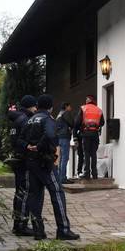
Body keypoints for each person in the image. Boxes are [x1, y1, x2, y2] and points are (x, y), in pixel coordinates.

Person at [22, 94, 80, 241]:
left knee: (35, 196)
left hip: (30, 162)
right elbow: (50, 135)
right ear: (50, 107)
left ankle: (38, 231)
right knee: (57, 193)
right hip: (44, 163)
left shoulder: (29, 119)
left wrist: (29, 146)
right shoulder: (48, 119)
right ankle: (63, 230)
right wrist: (40, 146)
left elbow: (20, 139)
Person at [7, 95, 38, 236]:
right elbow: (23, 140)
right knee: (25, 193)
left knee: (19, 193)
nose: (36, 108)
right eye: (34, 106)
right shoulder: (26, 120)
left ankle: (17, 223)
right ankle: (21, 225)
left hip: (17, 160)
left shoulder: (16, 120)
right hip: (24, 161)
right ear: (30, 106)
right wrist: (29, 146)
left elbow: (14, 141)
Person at [74, 93, 105, 179]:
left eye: (86, 99)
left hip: (86, 133)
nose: (85, 100)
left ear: (88, 100)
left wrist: (79, 129)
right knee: (93, 153)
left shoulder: (83, 108)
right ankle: (94, 173)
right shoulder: (99, 110)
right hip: (95, 134)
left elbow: (77, 122)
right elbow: (102, 122)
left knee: (86, 153)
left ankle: (87, 173)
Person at [55, 102, 74, 183]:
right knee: (65, 158)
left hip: (59, 137)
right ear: (66, 107)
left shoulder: (59, 114)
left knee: (61, 158)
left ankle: (60, 177)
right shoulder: (66, 113)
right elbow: (72, 123)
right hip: (64, 137)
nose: (71, 108)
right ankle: (63, 178)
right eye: (70, 106)